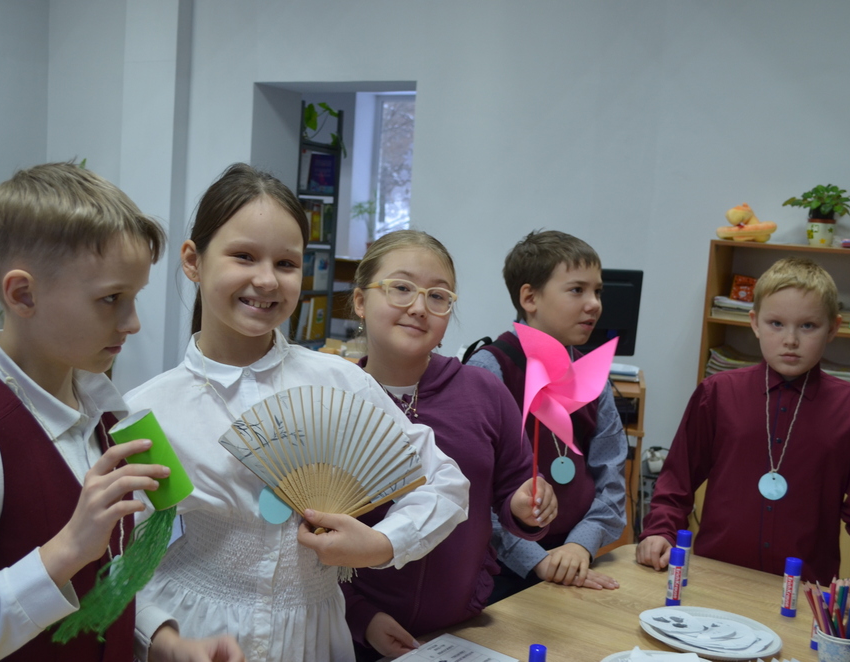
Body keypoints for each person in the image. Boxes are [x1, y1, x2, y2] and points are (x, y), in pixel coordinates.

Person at [0, 162, 242, 662]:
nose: (133, 323)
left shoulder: (106, 414)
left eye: (134, 297)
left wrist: (164, 643)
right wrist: (64, 552)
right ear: (23, 294)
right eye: (111, 299)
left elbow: (106, 575)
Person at [126, 163, 470, 662]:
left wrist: (383, 542)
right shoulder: (149, 410)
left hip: (315, 636)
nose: (266, 280)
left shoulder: (341, 384)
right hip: (197, 633)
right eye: (244, 256)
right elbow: (122, 557)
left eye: (287, 263)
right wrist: (163, 638)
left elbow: (444, 482)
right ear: (193, 261)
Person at [340, 230, 557, 660]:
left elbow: (515, 495)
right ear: (361, 301)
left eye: (438, 296)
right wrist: (361, 617)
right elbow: (304, 537)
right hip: (355, 634)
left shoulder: (484, 392)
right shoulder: (333, 398)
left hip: (464, 630)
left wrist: (528, 507)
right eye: (401, 288)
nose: (419, 307)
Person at [637, 257, 850, 584]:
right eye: (776, 323)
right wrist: (660, 531)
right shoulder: (716, 393)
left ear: (833, 328)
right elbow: (677, 480)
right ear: (755, 323)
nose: (790, 340)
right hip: (713, 577)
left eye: (808, 326)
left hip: (802, 588)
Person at [465, 229, 626, 594]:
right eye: (577, 290)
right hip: (500, 566)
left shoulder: (593, 378)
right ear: (530, 297)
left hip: (574, 559)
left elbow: (612, 474)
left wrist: (581, 544)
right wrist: (534, 558)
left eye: (598, 291)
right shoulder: (488, 371)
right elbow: (472, 490)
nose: (594, 304)